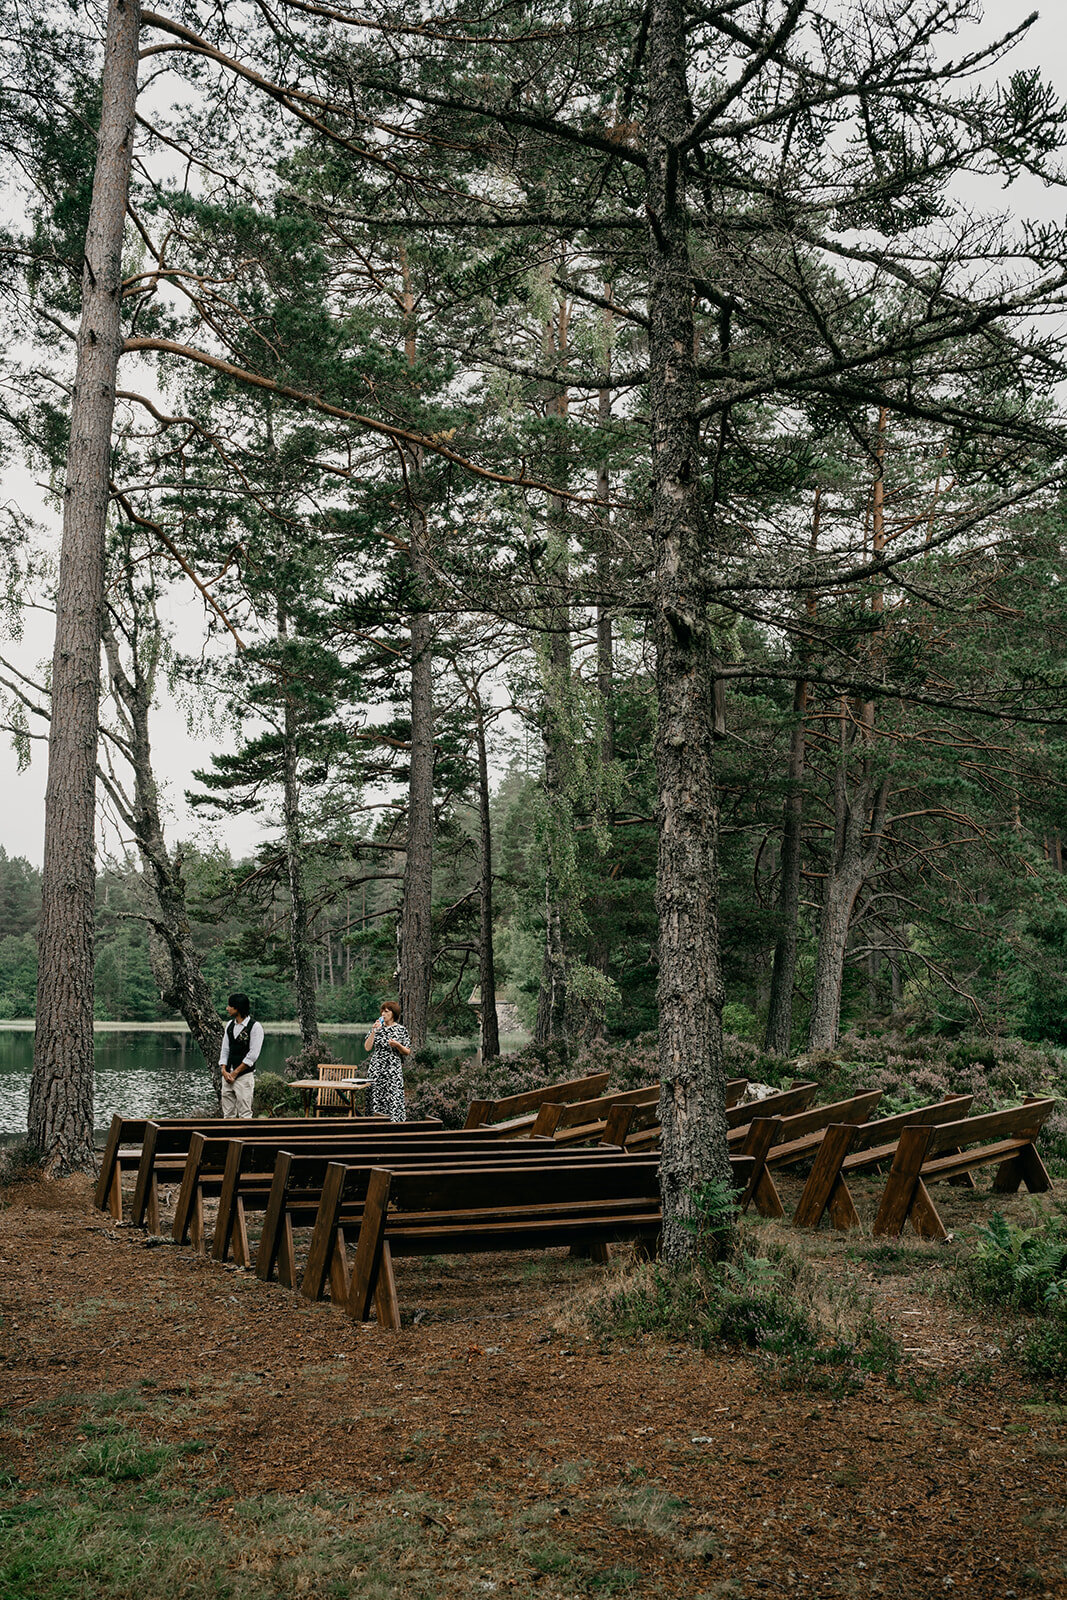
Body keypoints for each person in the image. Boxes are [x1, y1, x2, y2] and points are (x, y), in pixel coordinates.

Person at [363, 999, 411, 1121]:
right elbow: (367, 1047)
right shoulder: (377, 1027)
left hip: (392, 1069)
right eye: (382, 1012)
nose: (383, 1014)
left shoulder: (401, 1030)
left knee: (393, 1095)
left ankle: (394, 1125)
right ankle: (372, 1123)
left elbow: (407, 1051)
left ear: (393, 1014)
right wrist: (374, 1031)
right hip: (377, 1067)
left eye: (386, 1012)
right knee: (375, 1095)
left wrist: (397, 1045)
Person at [219, 993, 263, 1119]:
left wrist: (235, 1073)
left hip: (244, 1077)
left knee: (245, 1113)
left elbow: (253, 1055)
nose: (227, 1008)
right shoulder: (229, 1025)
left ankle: (245, 1138)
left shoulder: (255, 1027)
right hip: (227, 1076)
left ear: (237, 1008)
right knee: (228, 1114)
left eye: (230, 1006)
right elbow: (225, 1049)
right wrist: (224, 1070)